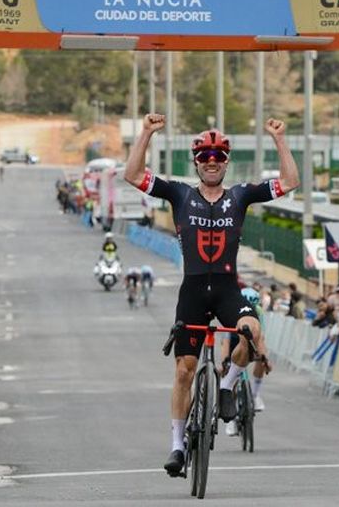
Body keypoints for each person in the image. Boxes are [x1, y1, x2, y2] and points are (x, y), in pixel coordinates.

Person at [124, 113, 299, 476]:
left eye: (218, 156)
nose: (212, 162)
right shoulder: (179, 193)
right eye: (205, 157)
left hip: (226, 288)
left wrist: (279, 139)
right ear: (197, 163)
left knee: (251, 331)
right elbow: (132, 175)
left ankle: (227, 385)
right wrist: (145, 133)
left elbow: (290, 181)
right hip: (192, 291)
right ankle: (177, 446)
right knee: (185, 370)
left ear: (226, 163)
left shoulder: (241, 195)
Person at [223, 287, 272, 437]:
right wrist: (224, 360)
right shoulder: (234, 309)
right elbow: (225, 341)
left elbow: (261, 338)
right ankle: (230, 417)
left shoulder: (258, 312)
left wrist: (265, 358)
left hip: (252, 339)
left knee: (261, 361)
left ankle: (255, 394)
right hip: (234, 341)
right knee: (231, 375)